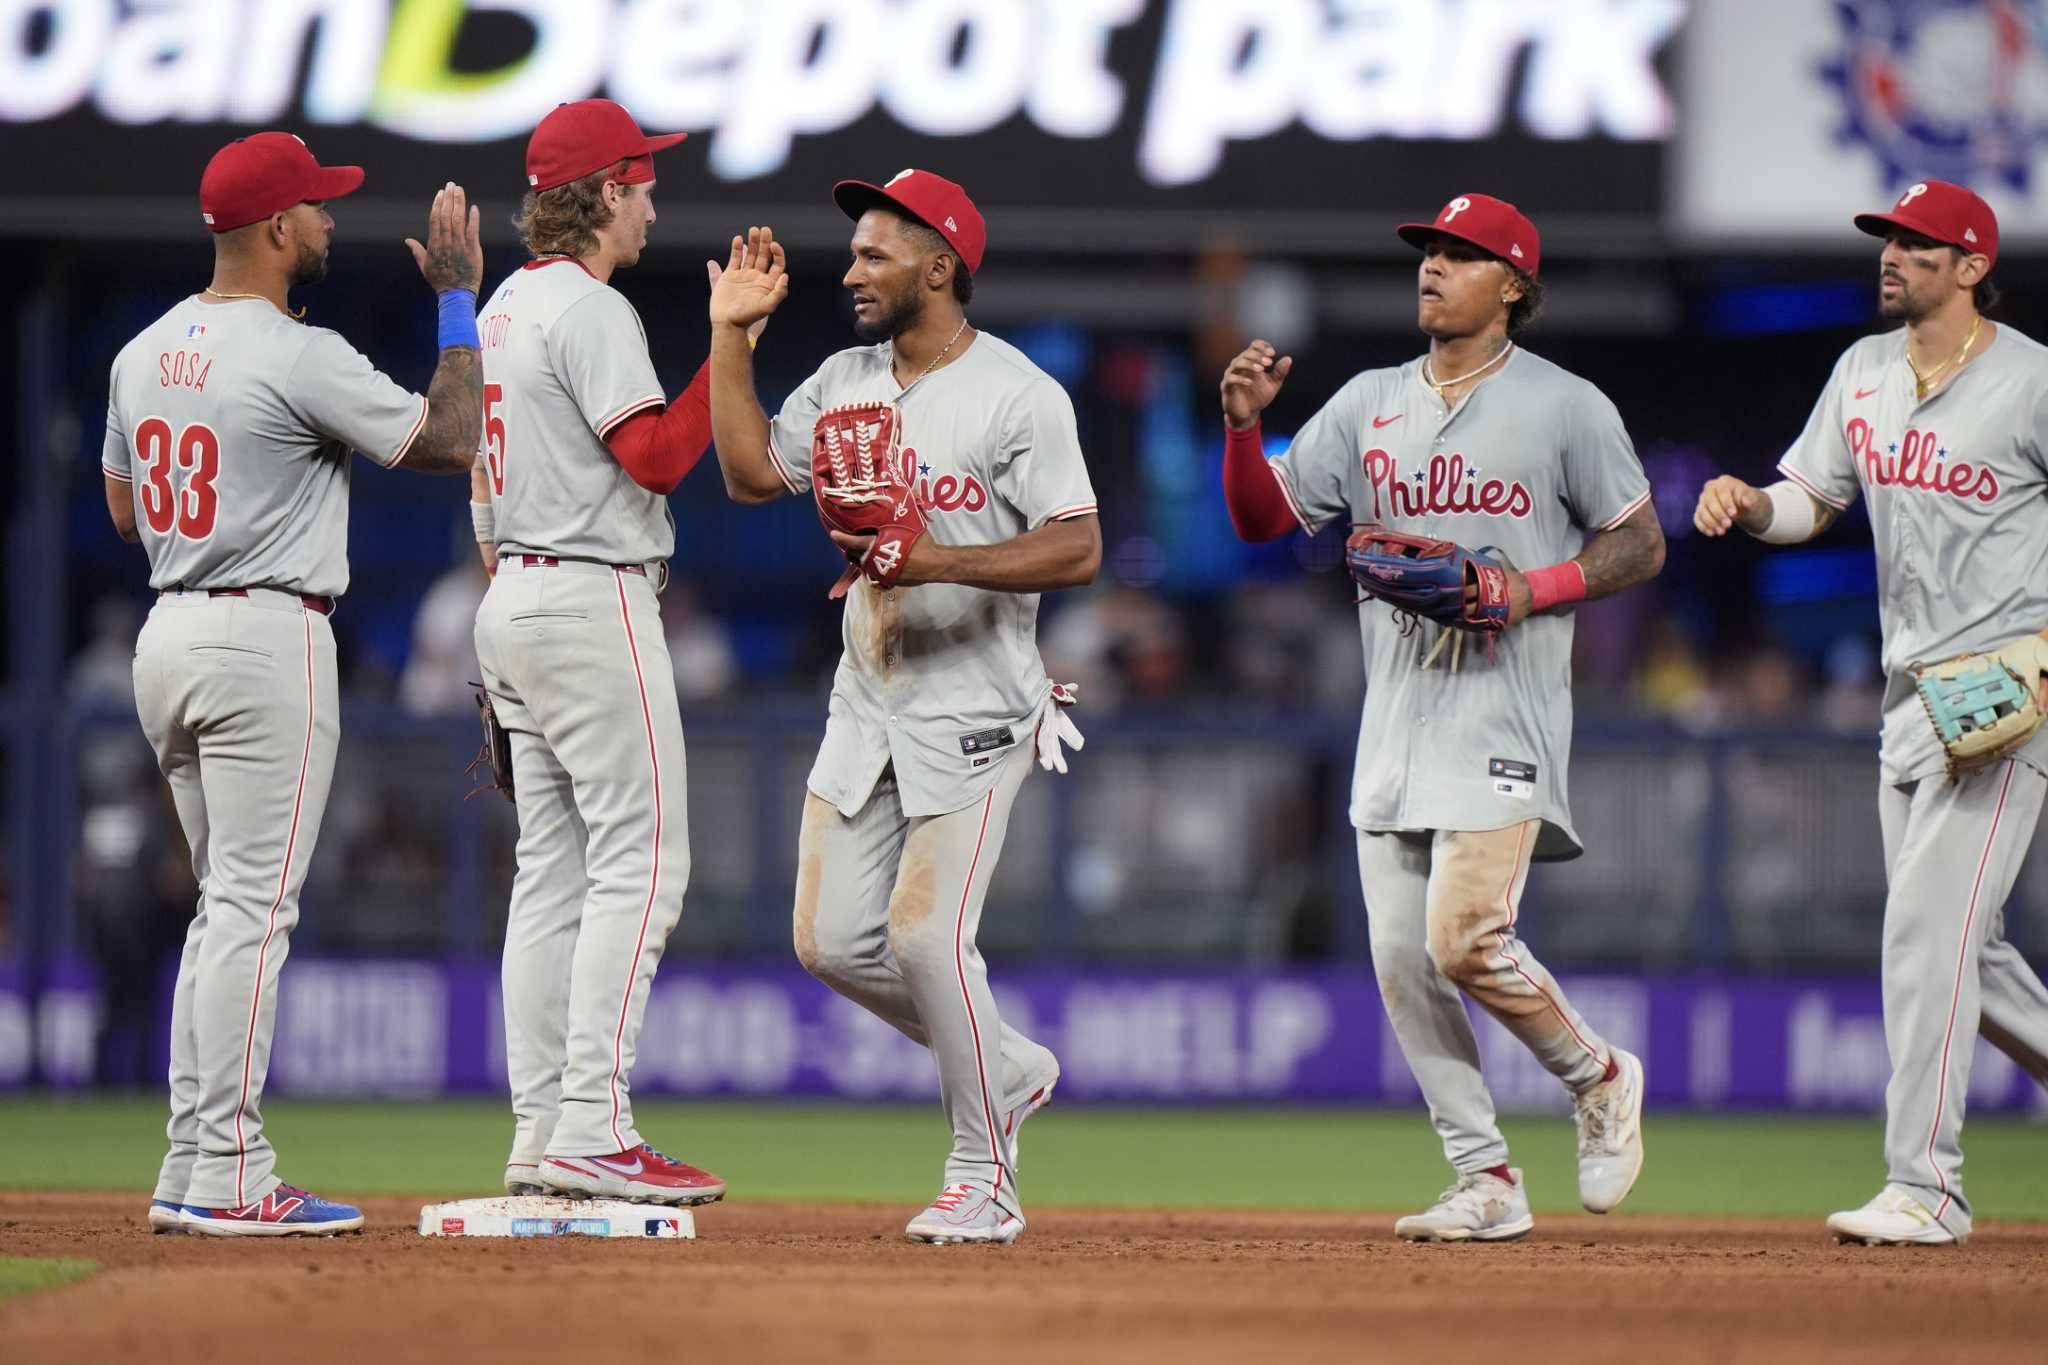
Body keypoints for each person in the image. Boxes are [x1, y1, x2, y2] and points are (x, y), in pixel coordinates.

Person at [1218, 193, 1661, 1242]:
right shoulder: (1368, 401)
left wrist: (1529, 588)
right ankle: (1485, 1180)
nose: (1432, 267)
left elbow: (1639, 544)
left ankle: (1596, 1076)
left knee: (1463, 938)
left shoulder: (1565, 406)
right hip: (1395, 718)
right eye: (1428, 251)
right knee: (1403, 966)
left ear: (1512, 286)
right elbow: (1260, 520)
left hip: (1502, 706)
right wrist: (1240, 430)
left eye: (1461, 256)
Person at [706, 170, 1098, 1244]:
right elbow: (745, 475)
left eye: (877, 253)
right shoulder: (841, 378)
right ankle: (1005, 1067)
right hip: (867, 701)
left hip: (978, 703)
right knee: (830, 942)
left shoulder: (1018, 394)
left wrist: (934, 559)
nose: (852, 269)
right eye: (856, 252)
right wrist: (729, 339)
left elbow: (1078, 543)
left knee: (926, 938)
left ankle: (983, 1174)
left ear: (940, 268)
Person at [103, 132, 483, 1234]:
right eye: (315, 207)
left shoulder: (140, 351)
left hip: (167, 631)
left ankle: (191, 1162)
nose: (328, 222)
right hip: (266, 636)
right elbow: (452, 435)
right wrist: (457, 303)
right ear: (274, 229)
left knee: (224, 913)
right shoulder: (295, 352)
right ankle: (227, 1168)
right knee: (252, 916)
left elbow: (128, 511)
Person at [1694, 179, 2048, 1247]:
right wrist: (1756, 505)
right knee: (1964, 959)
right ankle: (1923, 1181)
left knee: (1922, 933)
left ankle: (1926, 1187)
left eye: (1915, 243)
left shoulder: (2030, 381)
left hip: (2007, 687)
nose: (1889, 254)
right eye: (1886, 238)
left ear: (1970, 264)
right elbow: (1812, 499)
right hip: (1908, 700)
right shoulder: (1861, 371)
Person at [470, 99, 750, 1206]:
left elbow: (482, 491)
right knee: (645, 863)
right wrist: (726, 342)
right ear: (602, 194)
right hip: (589, 596)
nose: (651, 202)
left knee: (553, 875)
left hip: (516, 592)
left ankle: (542, 1130)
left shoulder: (496, 309)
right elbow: (655, 457)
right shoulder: (587, 307)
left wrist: (511, 624)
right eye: (641, 184)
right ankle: (593, 1124)